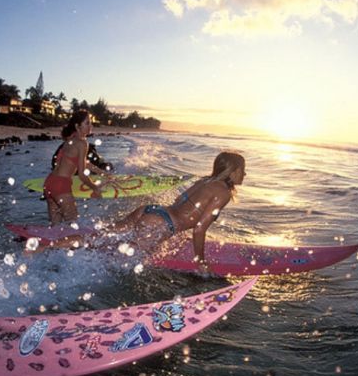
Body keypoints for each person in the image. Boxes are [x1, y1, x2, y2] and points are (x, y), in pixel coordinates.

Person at [110, 152, 246, 266]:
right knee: (119, 260)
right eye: (242, 170)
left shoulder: (204, 181)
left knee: (108, 236)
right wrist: (200, 262)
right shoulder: (223, 193)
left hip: (152, 211)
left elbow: (179, 200)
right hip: (161, 223)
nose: (244, 174)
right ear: (233, 172)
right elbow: (199, 229)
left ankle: (89, 244)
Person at [43, 109, 107, 224]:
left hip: (49, 183)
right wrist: (95, 188)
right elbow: (82, 175)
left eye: (90, 122)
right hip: (61, 185)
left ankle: (50, 239)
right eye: (87, 123)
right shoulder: (82, 143)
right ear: (78, 126)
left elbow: (80, 162)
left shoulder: (70, 139)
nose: (90, 126)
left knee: (56, 227)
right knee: (72, 225)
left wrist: (100, 172)